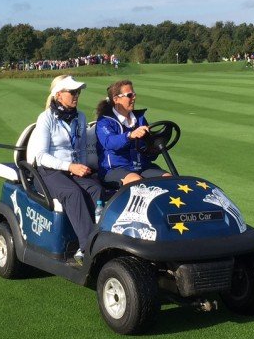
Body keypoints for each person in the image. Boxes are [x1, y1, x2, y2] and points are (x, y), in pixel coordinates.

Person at [28, 75, 103, 263]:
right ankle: (87, 248)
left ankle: (103, 238)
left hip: (73, 169)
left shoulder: (80, 117)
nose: (76, 95)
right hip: (47, 171)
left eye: (78, 92)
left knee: (96, 189)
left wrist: (83, 167)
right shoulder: (46, 118)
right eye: (72, 92)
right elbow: (41, 156)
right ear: (59, 95)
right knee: (73, 193)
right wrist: (69, 166)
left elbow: (82, 149)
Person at [95, 80, 170, 187]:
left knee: (169, 180)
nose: (133, 98)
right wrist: (129, 135)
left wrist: (155, 147)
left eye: (134, 94)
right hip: (115, 169)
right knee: (137, 182)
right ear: (116, 99)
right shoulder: (104, 121)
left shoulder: (139, 119)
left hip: (142, 166)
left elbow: (147, 151)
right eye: (129, 95)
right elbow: (109, 142)